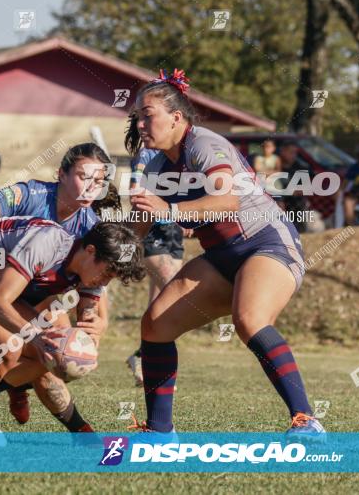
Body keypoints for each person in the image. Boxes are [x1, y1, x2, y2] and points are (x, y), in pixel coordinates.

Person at [125, 68, 324, 438]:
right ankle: (159, 431)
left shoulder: (204, 144)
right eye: (137, 116)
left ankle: (306, 420)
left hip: (266, 242)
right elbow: (138, 226)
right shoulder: (155, 165)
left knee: (249, 319)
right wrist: (103, 260)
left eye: (147, 114)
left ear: (176, 118)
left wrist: (168, 211)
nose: (139, 123)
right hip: (221, 257)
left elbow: (226, 201)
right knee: (155, 326)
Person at [0, 219, 144, 436]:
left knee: (53, 350)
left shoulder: (90, 267)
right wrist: (35, 336)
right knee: (11, 347)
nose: (105, 282)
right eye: (107, 274)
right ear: (90, 251)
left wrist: (89, 338)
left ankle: (80, 432)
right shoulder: (48, 242)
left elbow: (88, 309)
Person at [0, 143, 111, 428]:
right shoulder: (32, 194)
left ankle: (18, 389)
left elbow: (96, 283)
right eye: (84, 177)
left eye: (99, 181)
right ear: (61, 174)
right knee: (16, 347)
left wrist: (94, 325)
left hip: (33, 292)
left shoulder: (91, 226)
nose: (91, 187)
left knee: (54, 348)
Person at [123, 146, 186, 387]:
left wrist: (184, 215)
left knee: (160, 305)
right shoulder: (147, 154)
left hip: (173, 231)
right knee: (177, 293)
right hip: (152, 229)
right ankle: (149, 360)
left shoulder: (178, 156)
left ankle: (142, 358)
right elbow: (135, 191)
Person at [276, 141, 311, 232]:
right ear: (283, 151)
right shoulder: (274, 168)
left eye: (295, 153)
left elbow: (305, 189)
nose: (294, 155)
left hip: (296, 207)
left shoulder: (301, 168)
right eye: (291, 152)